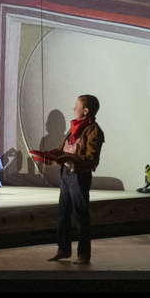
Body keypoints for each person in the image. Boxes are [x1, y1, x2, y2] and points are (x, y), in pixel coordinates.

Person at [43, 94, 105, 265]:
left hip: (79, 176)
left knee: (80, 215)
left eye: (76, 105)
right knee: (63, 214)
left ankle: (83, 255)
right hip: (66, 175)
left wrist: (71, 160)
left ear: (85, 110)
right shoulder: (74, 127)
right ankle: (63, 250)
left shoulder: (94, 131)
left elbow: (92, 158)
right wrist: (52, 155)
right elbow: (65, 149)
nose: (73, 108)